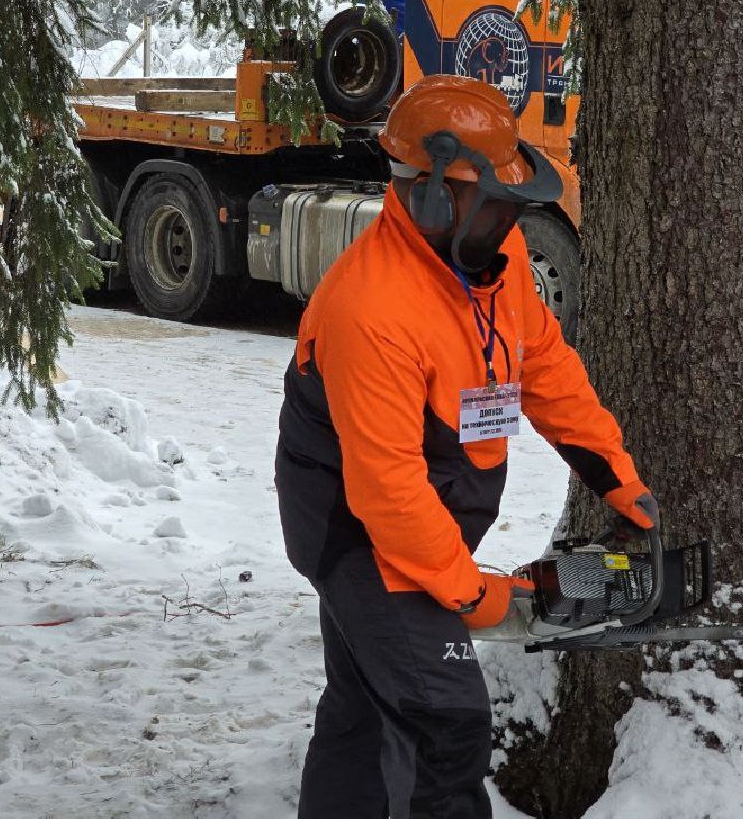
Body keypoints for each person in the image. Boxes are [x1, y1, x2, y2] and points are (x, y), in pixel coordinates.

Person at [275, 74, 658, 819]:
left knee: (361, 708)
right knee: (445, 723)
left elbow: (547, 371)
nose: (510, 223)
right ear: (430, 193)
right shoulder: (373, 308)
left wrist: (613, 472)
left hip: (422, 532)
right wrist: (468, 590)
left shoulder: (493, 271)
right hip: (361, 538)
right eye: (496, 204)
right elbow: (386, 491)